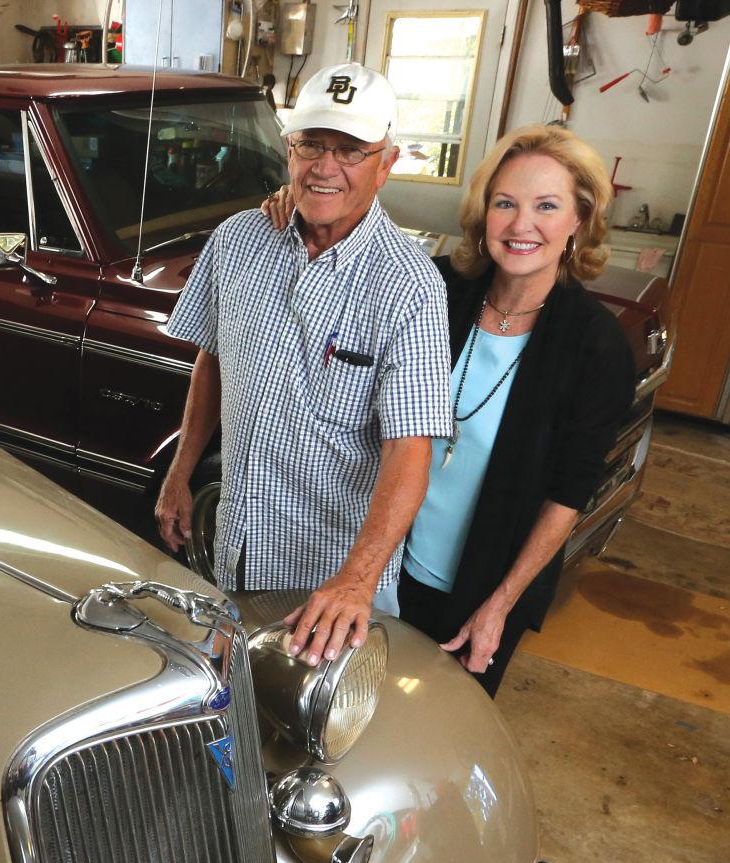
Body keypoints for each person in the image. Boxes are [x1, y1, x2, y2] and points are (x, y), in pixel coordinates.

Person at [260, 125, 632, 695]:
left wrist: (500, 606)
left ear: (579, 219)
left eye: (546, 206)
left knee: (435, 738)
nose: (520, 224)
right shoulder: (437, 288)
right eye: (504, 203)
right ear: (483, 213)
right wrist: (306, 205)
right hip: (378, 564)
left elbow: (568, 494)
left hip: (477, 590)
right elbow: (355, 257)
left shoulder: (596, 345)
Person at [157, 63, 453, 668]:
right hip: (238, 550)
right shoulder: (238, 240)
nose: (325, 166)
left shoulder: (409, 285)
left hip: (329, 585)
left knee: (326, 748)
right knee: (231, 717)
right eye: (312, 143)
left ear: (387, 162)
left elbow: (410, 449)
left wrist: (356, 581)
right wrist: (181, 471)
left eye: (350, 150)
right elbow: (213, 361)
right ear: (288, 149)